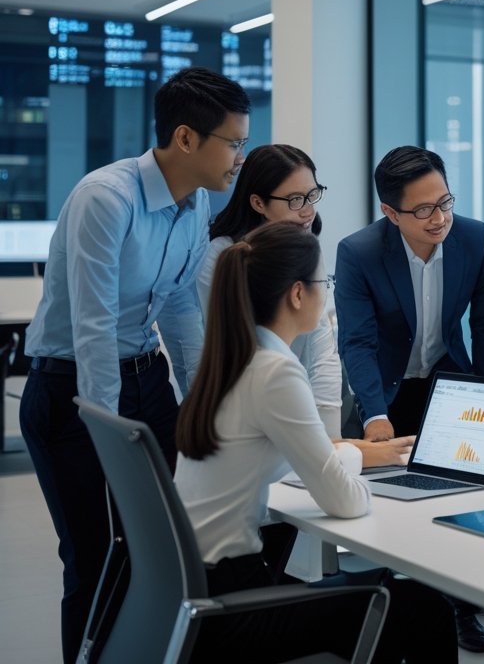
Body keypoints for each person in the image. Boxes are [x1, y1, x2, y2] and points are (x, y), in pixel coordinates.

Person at [19, 66, 249, 663]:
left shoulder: (194, 205)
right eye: (233, 143)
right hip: (74, 395)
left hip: (146, 380)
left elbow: (177, 308)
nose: (239, 158)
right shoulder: (106, 197)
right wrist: (108, 430)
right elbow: (92, 328)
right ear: (185, 139)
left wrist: (206, 402)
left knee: (163, 548)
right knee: (93, 557)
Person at [175, 222, 456, 663]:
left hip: (199, 586)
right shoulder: (275, 371)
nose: (328, 293)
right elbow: (345, 503)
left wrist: (344, 455)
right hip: (236, 606)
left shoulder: (232, 356)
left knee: (384, 595)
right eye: (324, 282)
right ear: (297, 294)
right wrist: (356, 471)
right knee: (423, 607)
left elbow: (282, 460)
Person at [334, 145, 484, 655]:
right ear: (390, 212)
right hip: (385, 390)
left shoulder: (474, 237)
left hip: (448, 383)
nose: (440, 218)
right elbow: (357, 342)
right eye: (424, 209)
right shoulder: (359, 251)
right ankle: (403, 610)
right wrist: (375, 415)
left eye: (445, 202)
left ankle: (461, 608)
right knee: (397, 511)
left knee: (464, 497)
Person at [197, 144, 343, 435]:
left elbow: (321, 348)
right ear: (258, 203)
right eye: (295, 200)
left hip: (293, 399)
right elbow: (232, 350)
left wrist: (331, 433)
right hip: (239, 412)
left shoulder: (308, 246)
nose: (308, 210)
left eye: (313, 195)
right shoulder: (223, 255)